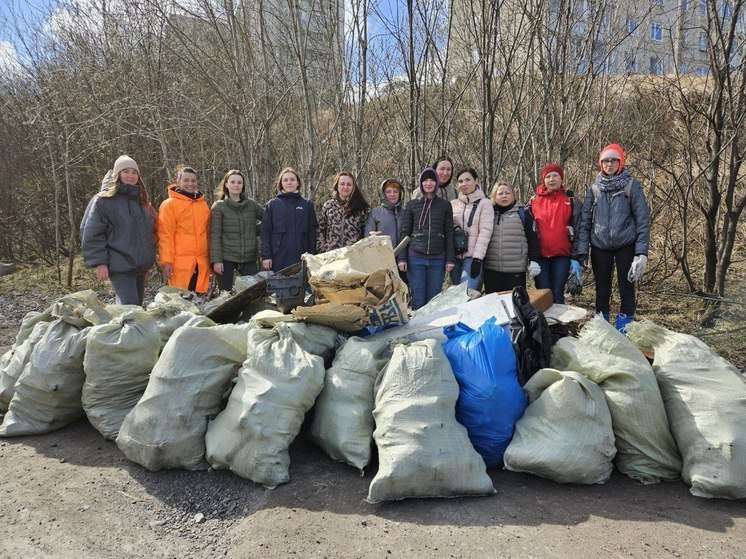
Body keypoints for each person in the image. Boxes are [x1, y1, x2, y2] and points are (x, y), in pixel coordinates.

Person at [577, 144, 650, 332]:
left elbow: (642, 219)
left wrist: (641, 253)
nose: (609, 164)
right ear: (601, 164)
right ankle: (603, 331)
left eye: (613, 160)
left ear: (621, 162)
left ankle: (625, 331)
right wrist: (582, 251)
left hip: (626, 245)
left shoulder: (631, 186)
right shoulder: (594, 189)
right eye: (605, 161)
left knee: (626, 289)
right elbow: (585, 222)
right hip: (600, 246)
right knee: (602, 290)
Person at [81, 155, 156, 306]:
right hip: (120, 266)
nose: (131, 175)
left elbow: (151, 232)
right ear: (117, 175)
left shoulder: (141, 202)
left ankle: (120, 329)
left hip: (140, 267)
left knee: (135, 307)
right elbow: (92, 233)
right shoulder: (103, 201)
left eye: (134, 172)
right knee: (130, 306)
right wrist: (100, 263)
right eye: (126, 171)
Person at [398, 167, 455, 310]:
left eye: (432, 180)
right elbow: (405, 232)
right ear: (421, 183)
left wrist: (450, 259)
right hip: (415, 258)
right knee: (418, 299)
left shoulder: (445, 205)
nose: (428, 183)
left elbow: (449, 233)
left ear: (436, 183)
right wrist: (402, 258)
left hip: (438, 259)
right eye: (425, 180)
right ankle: (417, 331)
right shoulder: (412, 205)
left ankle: (431, 331)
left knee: (434, 300)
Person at [528, 163, 579, 305]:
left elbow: (579, 228)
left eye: (555, 175)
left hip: (562, 255)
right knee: (542, 294)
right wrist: (530, 257)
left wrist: (576, 257)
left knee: (557, 293)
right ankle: (543, 326)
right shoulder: (534, 201)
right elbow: (528, 230)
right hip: (540, 256)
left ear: (561, 178)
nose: (552, 179)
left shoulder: (570, 199)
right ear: (543, 180)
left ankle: (559, 326)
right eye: (548, 176)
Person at [158, 165, 211, 294]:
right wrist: (166, 262)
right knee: (180, 302)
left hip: (201, 263)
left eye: (193, 180)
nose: (190, 184)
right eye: (186, 180)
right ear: (178, 182)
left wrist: (212, 260)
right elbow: (165, 235)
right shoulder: (169, 204)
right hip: (179, 264)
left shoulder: (203, 205)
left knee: (199, 302)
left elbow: (208, 234)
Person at [209, 169, 264, 292]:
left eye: (239, 182)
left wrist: (253, 231)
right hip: (225, 258)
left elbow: (269, 220)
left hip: (248, 257)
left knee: (254, 291)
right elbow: (215, 235)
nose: (236, 185)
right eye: (232, 182)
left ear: (243, 185)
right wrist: (216, 261)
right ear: (226, 184)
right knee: (225, 295)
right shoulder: (219, 206)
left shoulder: (251, 205)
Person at [483, 181, 541, 294]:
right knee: (494, 305)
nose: (504, 196)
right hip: (491, 270)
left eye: (507, 193)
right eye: (500, 193)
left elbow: (533, 238)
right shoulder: (488, 214)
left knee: (515, 304)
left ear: (513, 195)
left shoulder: (523, 213)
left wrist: (534, 260)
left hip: (515, 271)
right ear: (494, 196)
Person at [260, 167, 317, 273]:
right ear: (281, 184)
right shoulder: (272, 205)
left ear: (298, 183)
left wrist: (312, 257)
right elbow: (265, 233)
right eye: (285, 180)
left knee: (303, 288)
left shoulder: (307, 205)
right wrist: (266, 256)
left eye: (292, 179)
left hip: (302, 258)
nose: (289, 182)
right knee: (279, 288)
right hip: (278, 259)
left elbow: (312, 233)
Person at [449, 167, 494, 289]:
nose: (464, 184)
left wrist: (478, 259)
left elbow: (485, 232)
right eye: (460, 181)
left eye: (468, 180)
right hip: (455, 257)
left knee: (467, 293)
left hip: (472, 257)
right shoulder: (453, 204)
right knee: (456, 296)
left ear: (476, 181)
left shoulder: (485, 204)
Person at [317, 171, 370, 253]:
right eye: (342, 184)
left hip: (353, 255)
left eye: (349, 184)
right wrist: (322, 248)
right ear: (337, 186)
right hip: (331, 255)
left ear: (353, 187)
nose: (345, 187)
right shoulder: (328, 205)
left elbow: (366, 232)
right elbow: (320, 229)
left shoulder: (361, 207)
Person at [364, 178, 405, 246]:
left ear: (400, 194)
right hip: (382, 254)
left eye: (395, 191)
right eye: (388, 192)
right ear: (383, 194)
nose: (392, 194)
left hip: (403, 255)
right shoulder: (375, 213)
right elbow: (368, 238)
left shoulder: (406, 213)